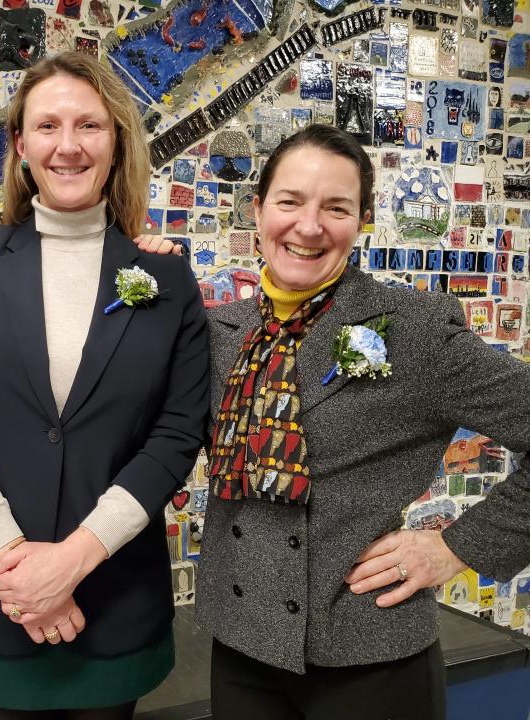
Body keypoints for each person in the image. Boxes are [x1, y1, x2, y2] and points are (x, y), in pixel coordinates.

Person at [195, 124, 530, 719]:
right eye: (290, 201)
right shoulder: (219, 334)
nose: (308, 226)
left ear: (363, 220)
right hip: (242, 651)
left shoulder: (414, 329)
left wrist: (455, 547)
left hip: (371, 655)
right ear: (258, 209)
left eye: (336, 207)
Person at [0, 51, 210, 719]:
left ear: (116, 141)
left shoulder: (166, 280)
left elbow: (175, 435)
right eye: (47, 126)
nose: (68, 145)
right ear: (20, 145)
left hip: (113, 604)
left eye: (89, 125)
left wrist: (73, 561)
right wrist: (18, 564)